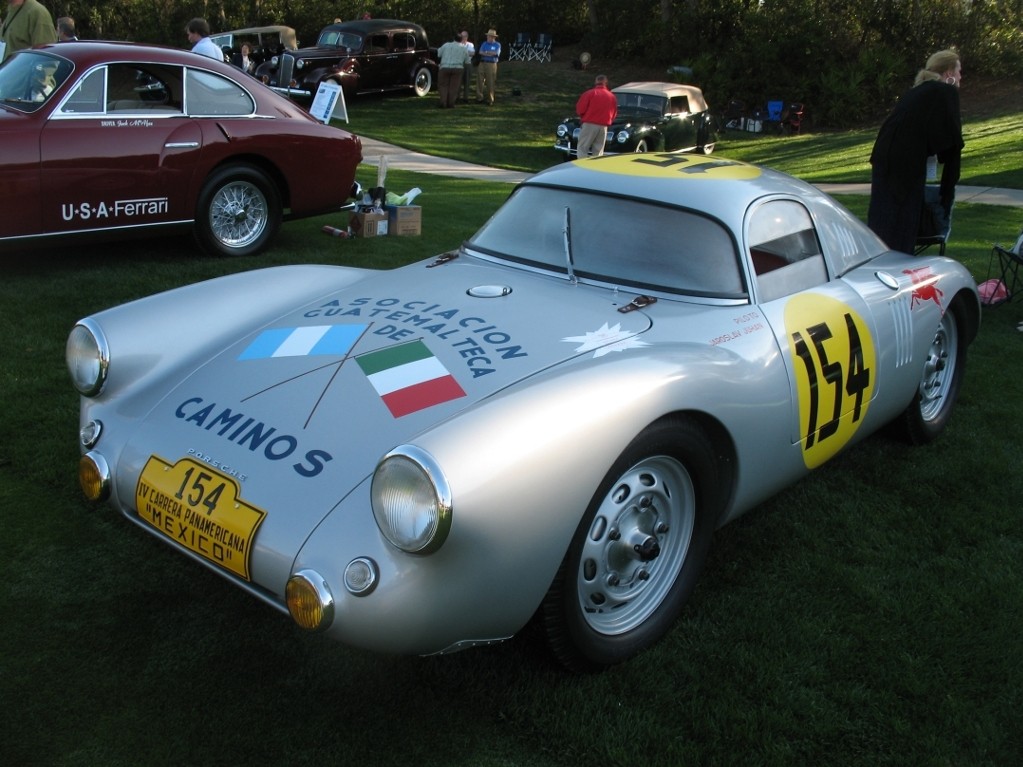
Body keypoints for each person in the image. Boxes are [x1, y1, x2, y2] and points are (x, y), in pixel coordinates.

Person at [867, 50, 964, 254]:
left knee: (884, 222)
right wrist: (947, 191)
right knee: (900, 222)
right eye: (959, 71)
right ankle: (898, 264)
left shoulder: (919, 91)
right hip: (904, 166)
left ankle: (882, 260)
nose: (961, 77)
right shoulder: (945, 91)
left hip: (885, 160)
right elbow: (952, 140)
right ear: (948, 73)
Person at [575, 74, 618, 158]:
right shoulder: (612, 96)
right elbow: (614, 113)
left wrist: (583, 117)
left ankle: (581, 168)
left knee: (582, 148)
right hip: (603, 126)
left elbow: (580, 109)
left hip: (589, 124)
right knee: (598, 151)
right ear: (606, 82)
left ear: (596, 82)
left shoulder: (589, 93)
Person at [436, 33, 470, 109]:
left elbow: (439, 54)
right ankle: (451, 103)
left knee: (443, 85)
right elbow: (467, 60)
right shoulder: (464, 48)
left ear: (454, 39)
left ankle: (443, 102)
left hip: (445, 66)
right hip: (457, 68)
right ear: (461, 40)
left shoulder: (446, 45)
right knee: (454, 87)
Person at [475, 28, 500, 106]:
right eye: (488, 36)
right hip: (482, 63)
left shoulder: (497, 45)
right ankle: (479, 98)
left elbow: (496, 53)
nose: (488, 38)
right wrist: (489, 53)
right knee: (479, 80)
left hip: (491, 64)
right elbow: (480, 52)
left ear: (493, 37)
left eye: (490, 36)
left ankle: (490, 99)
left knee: (490, 81)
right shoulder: (484, 43)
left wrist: (486, 52)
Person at [459, 30, 474, 103]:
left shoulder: (470, 44)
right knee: (458, 81)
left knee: (467, 81)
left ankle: (466, 98)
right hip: (459, 64)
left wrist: (465, 52)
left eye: (464, 36)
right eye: (461, 36)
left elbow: (472, 53)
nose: (462, 37)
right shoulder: (458, 44)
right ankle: (457, 97)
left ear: (467, 37)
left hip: (468, 63)